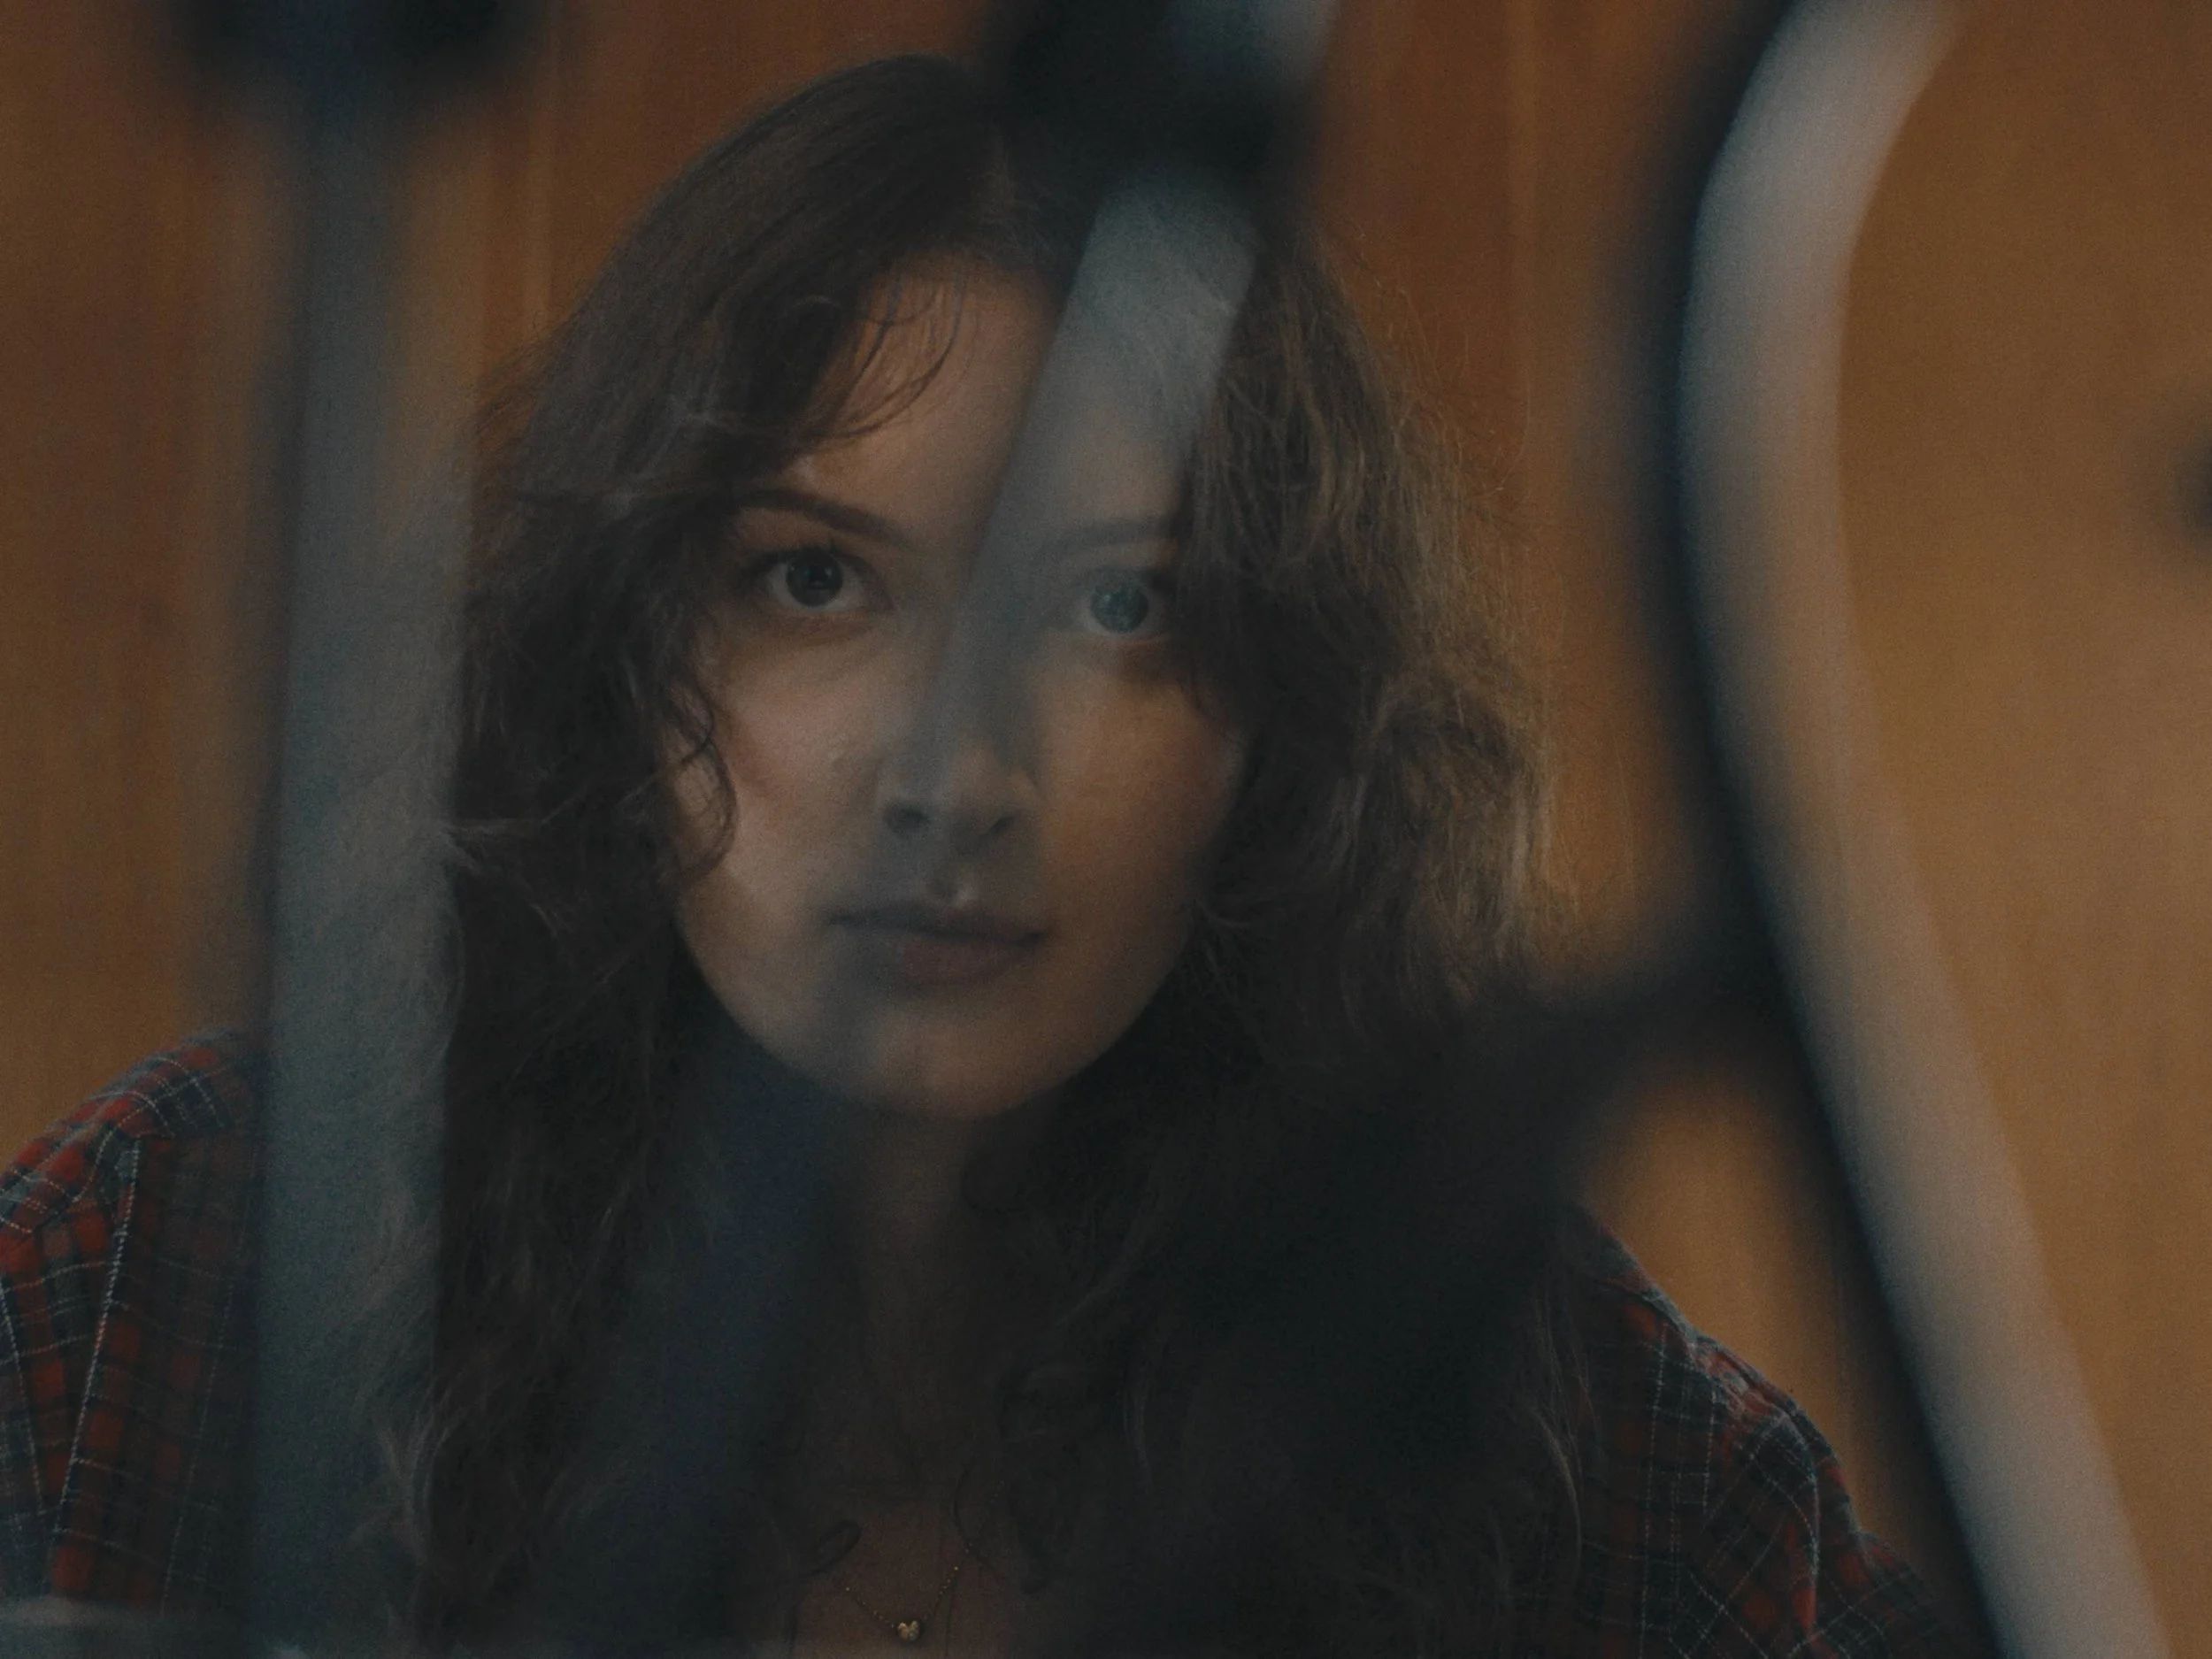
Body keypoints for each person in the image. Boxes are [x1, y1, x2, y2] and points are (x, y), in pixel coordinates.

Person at [0, 52, 1956, 1657]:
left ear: (1282, 734)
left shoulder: (1548, 1421)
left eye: (1118, 608)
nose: (954, 773)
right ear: (617, 653)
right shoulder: (178, 1268)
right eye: (812, 579)